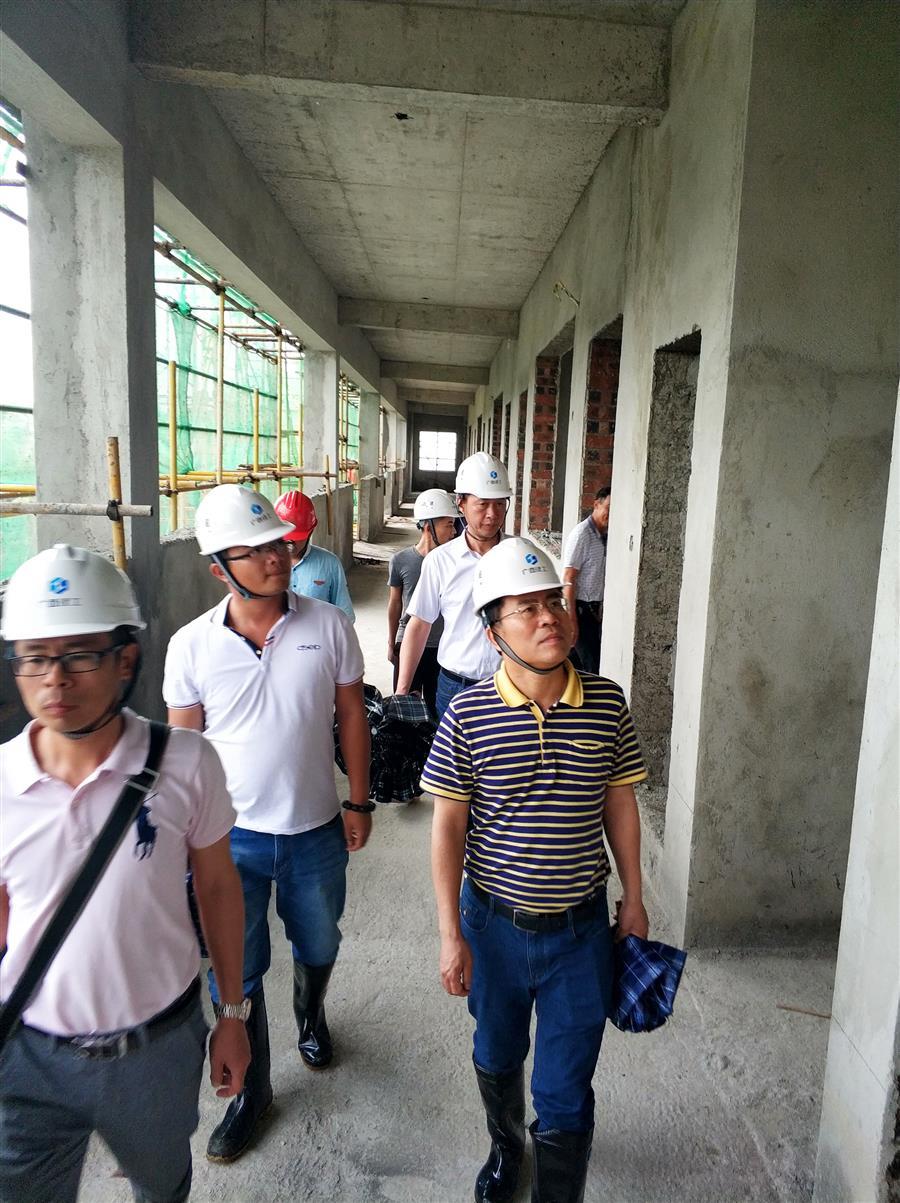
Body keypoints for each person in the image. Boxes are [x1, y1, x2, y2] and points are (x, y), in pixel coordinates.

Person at [0, 544, 249, 1203]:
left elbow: (218, 889)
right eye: (34, 657)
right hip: (28, 1050)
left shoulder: (186, 763)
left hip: (157, 1047)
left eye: (80, 654)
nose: (55, 679)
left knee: (161, 1183)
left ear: (126, 660)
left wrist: (231, 1013)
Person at [422, 537, 649, 1203]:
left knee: (566, 1089)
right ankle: (506, 1146)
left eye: (553, 600)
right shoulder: (467, 714)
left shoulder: (606, 703)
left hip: (581, 934)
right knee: (496, 1052)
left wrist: (635, 896)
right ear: (494, 633)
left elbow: (620, 803)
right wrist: (450, 934)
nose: (549, 616)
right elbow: (448, 828)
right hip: (492, 927)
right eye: (526, 608)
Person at [163, 485, 372, 1164]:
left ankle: (311, 1013)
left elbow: (350, 714)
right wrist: (181, 841)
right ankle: (253, 1093)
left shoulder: (328, 625)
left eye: (277, 544)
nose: (275, 557)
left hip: (315, 830)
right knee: (237, 967)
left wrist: (359, 799)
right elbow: (184, 752)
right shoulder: (191, 646)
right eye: (253, 551)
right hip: (228, 843)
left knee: (319, 940)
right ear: (218, 568)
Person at [396, 452, 510, 720]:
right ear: (461, 504)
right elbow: (419, 624)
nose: (492, 514)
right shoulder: (440, 561)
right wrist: (402, 691)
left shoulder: (519, 555)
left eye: (500, 504)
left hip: (511, 687)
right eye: (482, 504)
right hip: (455, 687)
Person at [387, 488, 460, 713]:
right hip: (408, 643)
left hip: (441, 646)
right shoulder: (401, 560)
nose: (454, 531)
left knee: (434, 708)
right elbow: (395, 604)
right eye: (449, 524)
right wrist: (391, 643)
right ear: (428, 526)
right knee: (404, 709)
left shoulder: (454, 563)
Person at [275, 489, 355, 621]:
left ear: (311, 531)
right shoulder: (266, 564)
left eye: (297, 537)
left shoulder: (330, 564)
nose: (290, 543)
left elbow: (345, 617)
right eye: (285, 537)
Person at [561, 486, 611, 674]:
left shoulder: (606, 535)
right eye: (608, 508)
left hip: (594, 612)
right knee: (591, 667)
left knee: (576, 665)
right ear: (596, 504)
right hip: (581, 611)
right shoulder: (582, 534)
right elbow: (568, 578)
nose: (611, 514)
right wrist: (571, 618)